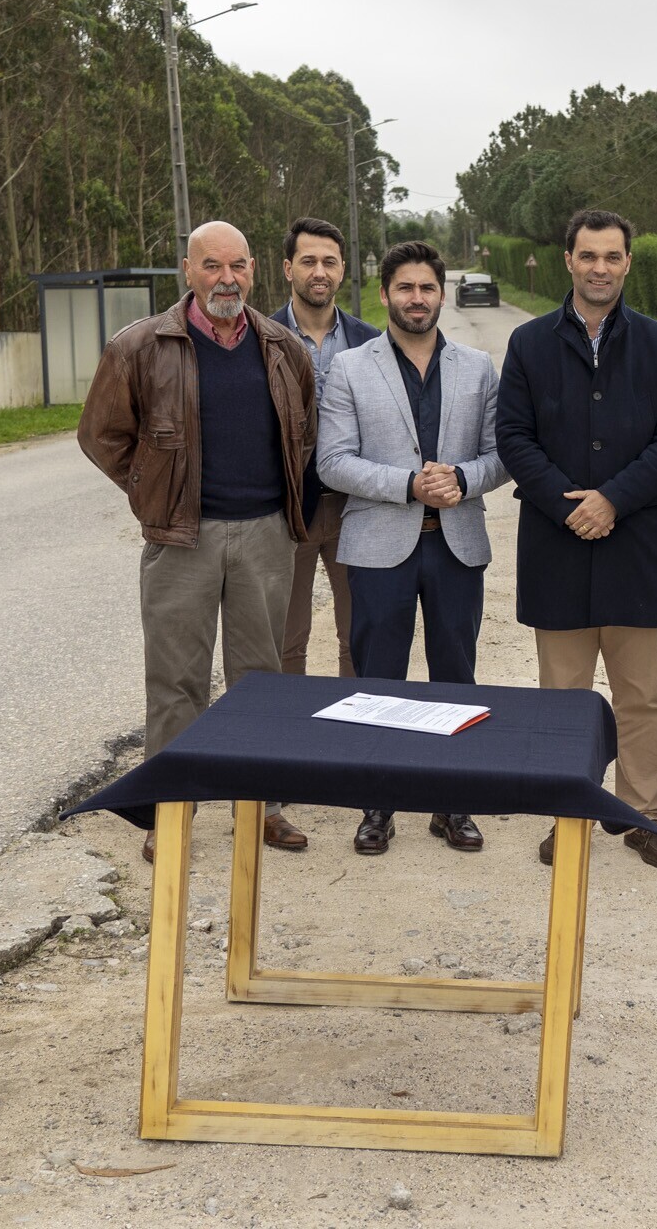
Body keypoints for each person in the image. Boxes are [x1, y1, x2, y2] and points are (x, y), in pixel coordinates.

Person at [76, 220, 316, 864]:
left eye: (237, 266)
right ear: (188, 270)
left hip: (266, 536)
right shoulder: (140, 347)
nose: (226, 279)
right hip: (181, 539)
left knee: (260, 681)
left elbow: (304, 431)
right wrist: (153, 490)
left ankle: (263, 806)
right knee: (177, 682)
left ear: (255, 270)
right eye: (212, 266)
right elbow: (100, 435)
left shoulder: (282, 347)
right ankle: (170, 816)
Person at [497, 209, 657, 868]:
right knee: (562, 699)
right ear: (569, 262)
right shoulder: (527, 344)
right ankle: (569, 814)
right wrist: (566, 504)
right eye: (589, 256)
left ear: (628, 262)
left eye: (612, 256)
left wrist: (613, 498)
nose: (600, 267)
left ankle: (643, 816)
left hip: (635, 544)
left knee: (641, 695)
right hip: (556, 545)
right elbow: (513, 439)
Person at [317, 240, 507, 856]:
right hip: (378, 547)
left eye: (427, 288)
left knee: (457, 679)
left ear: (441, 295)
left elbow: (503, 453)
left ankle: (453, 803)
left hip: (455, 545)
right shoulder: (349, 368)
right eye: (405, 288)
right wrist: (407, 484)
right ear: (384, 294)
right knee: (378, 683)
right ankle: (378, 805)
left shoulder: (478, 367)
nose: (417, 299)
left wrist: (462, 480)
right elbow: (333, 462)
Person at [262, 216, 379, 851]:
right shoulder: (260, 338)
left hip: (359, 509)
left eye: (331, 261)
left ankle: (353, 761)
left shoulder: (368, 342)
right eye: (309, 261)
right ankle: (281, 771)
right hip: (286, 512)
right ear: (288, 268)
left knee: (358, 636)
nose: (320, 272)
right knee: (285, 642)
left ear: (343, 270)